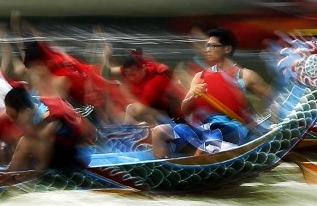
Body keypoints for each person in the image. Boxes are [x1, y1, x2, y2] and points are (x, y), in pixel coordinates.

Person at [152, 28, 272, 158]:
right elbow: (185, 109)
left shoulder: (245, 75)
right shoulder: (200, 76)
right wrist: (192, 95)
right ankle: (166, 169)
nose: (207, 49)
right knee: (159, 132)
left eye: (213, 46)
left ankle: (206, 153)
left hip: (232, 129)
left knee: (213, 136)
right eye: (207, 45)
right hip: (204, 129)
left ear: (227, 49)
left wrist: (269, 124)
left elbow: (272, 98)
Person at [4, 86, 92, 171]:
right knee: (25, 145)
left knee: (25, 143)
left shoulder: (49, 120)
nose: (11, 120)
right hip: (64, 146)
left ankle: (9, 174)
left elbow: (43, 164)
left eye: (13, 116)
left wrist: (37, 176)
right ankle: (11, 172)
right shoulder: (33, 103)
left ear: (27, 111)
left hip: (79, 155)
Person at [105, 49, 185, 126]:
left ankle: (132, 132)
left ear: (143, 68)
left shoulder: (155, 80)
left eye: (133, 75)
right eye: (128, 75)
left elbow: (138, 108)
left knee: (132, 109)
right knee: (119, 114)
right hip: (152, 112)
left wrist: (123, 87)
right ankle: (131, 130)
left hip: (171, 119)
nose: (131, 78)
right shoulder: (134, 67)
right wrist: (106, 58)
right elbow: (107, 73)